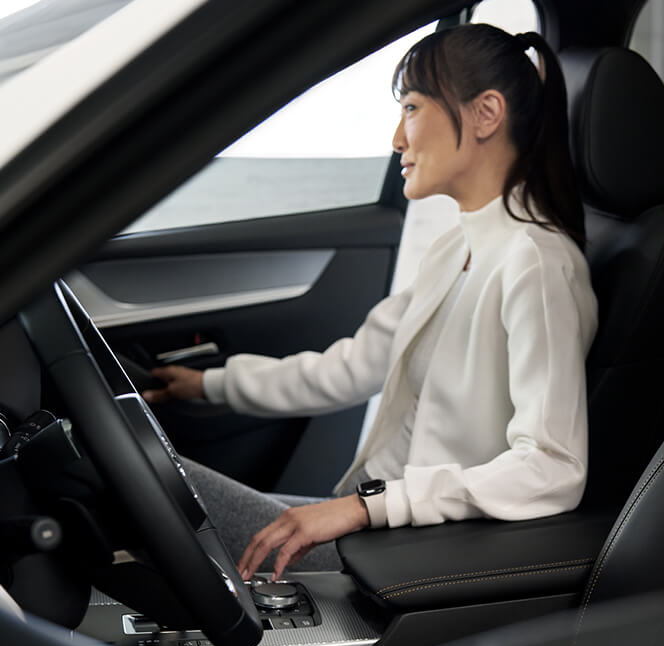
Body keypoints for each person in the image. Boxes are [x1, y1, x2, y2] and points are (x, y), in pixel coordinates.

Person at [143, 24, 598, 582]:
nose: (396, 140)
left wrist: (367, 505)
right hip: (383, 533)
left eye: (410, 108)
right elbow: (348, 368)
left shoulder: (535, 264)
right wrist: (207, 385)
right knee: (145, 482)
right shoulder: (457, 248)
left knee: (141, 476)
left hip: (416, 555)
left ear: (486, 114)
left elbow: (553, 467)